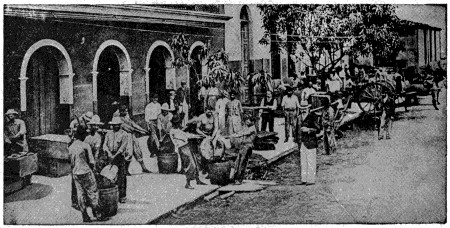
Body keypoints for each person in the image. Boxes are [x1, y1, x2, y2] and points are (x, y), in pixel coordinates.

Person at [69, 126, 106, 222]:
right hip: (86, 171)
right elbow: (92, 161)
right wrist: (94, 170)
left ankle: (85, 216)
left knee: (80, 194)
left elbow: (71, 163)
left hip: (76, 173)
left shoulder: (71, 146)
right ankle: (99, 215)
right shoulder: (85, 146)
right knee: (92, 192)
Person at [170, 118, 206, 189]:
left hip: (186, 147)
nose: (180, 124)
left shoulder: (178, 130)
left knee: (195, 163)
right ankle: (187, 183)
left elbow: (187, 135)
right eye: (178, 123)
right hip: (182, 148)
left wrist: (198, 136)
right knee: (190, 165)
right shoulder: (173, 131)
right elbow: (184, 137)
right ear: (176, 124)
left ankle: (197, 180)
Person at [118, 105, 151, 174]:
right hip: (126, 136)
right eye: (125, 111)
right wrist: (141, 132)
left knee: (138, 151)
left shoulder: (127, 117)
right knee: (129, 153)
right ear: (121, 111)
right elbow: (129, 128)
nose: (126, 112)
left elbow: (134, 125)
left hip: (132, 135)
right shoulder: (119, 119)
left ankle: (143, 168)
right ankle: (126, 170)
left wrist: (144, 130)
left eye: (126, 111)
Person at [103, 117, 129, 203]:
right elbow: (105, 145)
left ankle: (122, 196)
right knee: (109, 176)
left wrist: (115, 155)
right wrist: (109, 153)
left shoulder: (124, 134)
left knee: (121, 176)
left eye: (117, 125)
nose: (115, 127)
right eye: (114, 125)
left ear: (120, 125)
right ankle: (112, 195)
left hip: (119, 156)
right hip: (110, 155)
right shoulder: (108, 134)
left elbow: (123, 146)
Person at [296, 101, 320, 185]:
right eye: (302, 109)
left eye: (305, 108)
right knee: (303, 161)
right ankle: (304, 179)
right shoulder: (298, 118)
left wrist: (308, 130)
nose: (303, 110)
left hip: (311, 142)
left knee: (311, 161)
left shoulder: (312, 117)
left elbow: (318, 129)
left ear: (308, 108)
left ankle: (311, 180)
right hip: (302, 142)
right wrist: (297, 141)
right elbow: (296, 130)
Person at [228, 114, 257, 184]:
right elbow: (240, 132)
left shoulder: (252, 128)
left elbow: (243, 133)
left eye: (248, 120)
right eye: (246, 120)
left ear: (252, 122)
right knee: (237, 162)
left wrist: (233, 135)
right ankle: (235, 177)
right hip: (243, 146)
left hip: (247, 147)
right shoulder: (247, 127)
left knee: (242, 163)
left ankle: (239, 179)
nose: (247, 122)